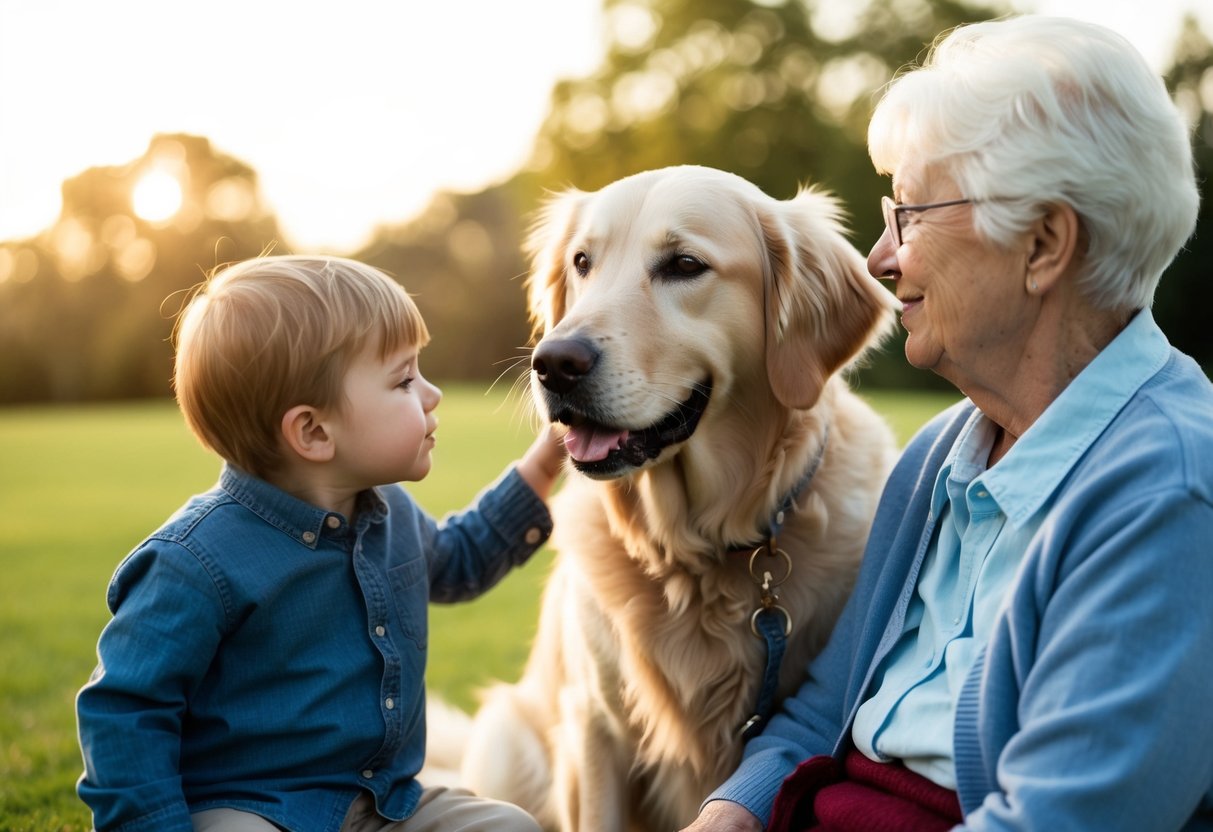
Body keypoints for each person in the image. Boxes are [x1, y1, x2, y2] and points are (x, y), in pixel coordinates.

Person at [681, 15, 1213, 832]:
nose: (878, 259)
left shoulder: (1168, 494)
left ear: (1041, 244)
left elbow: (1061, 819)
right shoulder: (938, 457)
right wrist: (730, 815)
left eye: (912, 215)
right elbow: (823, 712)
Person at [76, 255, 565, 832]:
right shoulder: (193, 562)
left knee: (511, 827)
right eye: (404, 379)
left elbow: (460, 558)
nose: (431, 394)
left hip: (382, 804)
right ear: (313, 432)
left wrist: (550, 454)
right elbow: (125, 709)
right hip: (251, 807)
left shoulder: (391, 515)